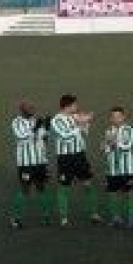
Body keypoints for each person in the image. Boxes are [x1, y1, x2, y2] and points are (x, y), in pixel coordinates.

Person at [50, 94, 101, 227]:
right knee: (64, 188)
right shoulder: (56, 120)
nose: (77, 107)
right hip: (65, 158)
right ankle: (64, 218)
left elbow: (84, 134)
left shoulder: (76, 117)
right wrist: (80, 123)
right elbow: (65, 136)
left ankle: (94, 214)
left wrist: (86, 123)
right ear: (68, 106)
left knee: (88, 184)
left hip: (80, 156)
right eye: (75, 105)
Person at [10, 101, 51, 228]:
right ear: (22, 110)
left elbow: (44, 138)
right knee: (25, 190)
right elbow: (21, 137)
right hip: (26, 163)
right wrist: (36, 128)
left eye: (32, 108)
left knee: (41, 187)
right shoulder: (16, 122)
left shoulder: (35, 120)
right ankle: (15, 218)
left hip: (39, 162)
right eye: (29, 108)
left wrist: (47, 126)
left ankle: (46, 215)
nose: (32, 110)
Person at [101, 106, 133, 229]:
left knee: (130, 193)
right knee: (113, 193)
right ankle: (116, 218)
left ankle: (131, 219)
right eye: (113, 117)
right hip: (112, 168)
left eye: (118, 116)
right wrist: (106, 146)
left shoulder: (129, 130)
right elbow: (105, 149)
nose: (116, 119)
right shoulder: (108, 131)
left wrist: (113, 142)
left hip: (127, 168)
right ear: (111, 118)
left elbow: (127, 145)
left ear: (123, 117)